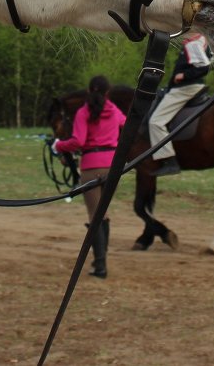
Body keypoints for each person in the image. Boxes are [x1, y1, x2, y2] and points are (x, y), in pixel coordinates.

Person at [53, 75, 127, 279]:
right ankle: (100, 261)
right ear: (107, 92)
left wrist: (58, 145)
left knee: (95, 217)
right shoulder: (113, 109)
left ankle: (100, 266)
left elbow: (77, 141)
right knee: (104, 214)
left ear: (88, 91)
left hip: (91, 167)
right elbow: (127, 125)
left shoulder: (83, 112)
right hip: (112, 167)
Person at [147, 31, 213, 177]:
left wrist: (183, 75)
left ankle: (169, 161)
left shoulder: (194, 43)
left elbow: (203, 68)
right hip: (189, 86)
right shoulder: (204, 41)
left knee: (155, 122)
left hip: (185, 88)